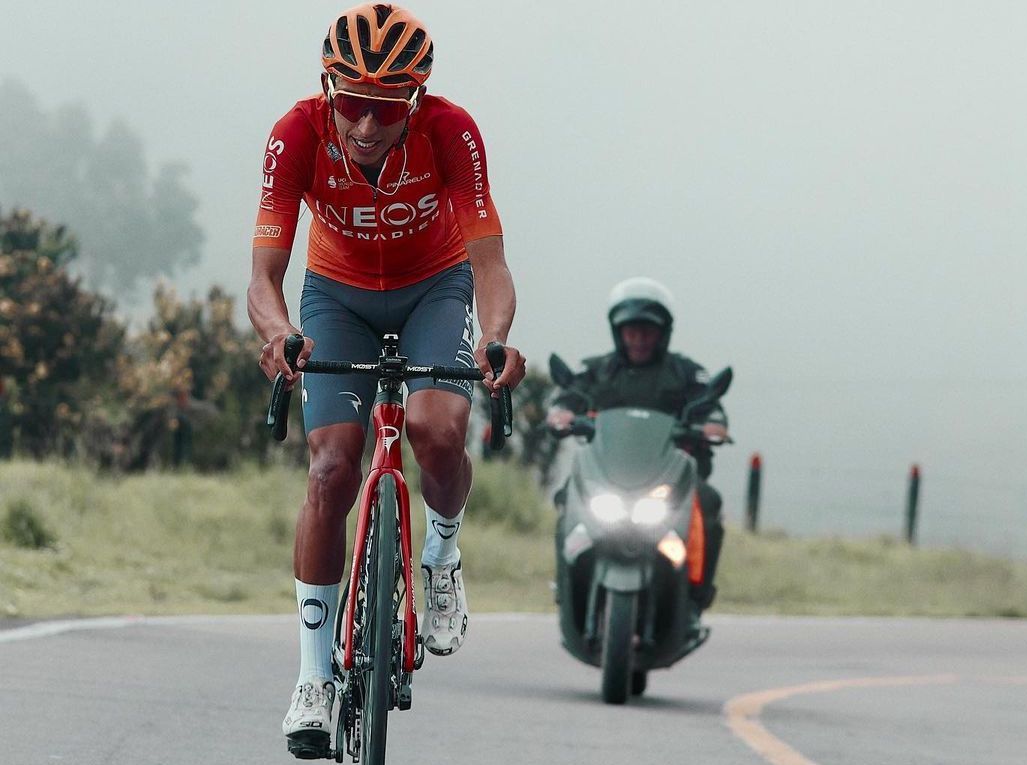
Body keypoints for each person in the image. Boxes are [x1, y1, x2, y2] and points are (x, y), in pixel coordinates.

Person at [246, 4, 525, 756]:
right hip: (334, 296)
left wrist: (496, 340)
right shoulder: (296, 132)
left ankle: (440, 552)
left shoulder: (452, 131)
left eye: (387, 110)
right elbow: (263, 277)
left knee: (438, 432)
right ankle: (311, 678)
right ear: (328, 90)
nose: (367, 127)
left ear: (417, 102)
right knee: (332, 467)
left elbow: (490, 265)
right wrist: (279, 336)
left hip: (434, 288)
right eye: (353, 106)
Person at [546, 277, 728, 628]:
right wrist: (561, 415)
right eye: (631, 331)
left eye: (647, 331)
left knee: (708, 502)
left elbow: (711, 409)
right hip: (607, 477)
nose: (639, 339)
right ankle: (566, 584)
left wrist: (712, 427)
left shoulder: (687, 373)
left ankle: (695, 594)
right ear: (618, 332)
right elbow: (567, 399)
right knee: (566, 496)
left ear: (663, 333)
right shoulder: (597, 370)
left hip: (670, 480)